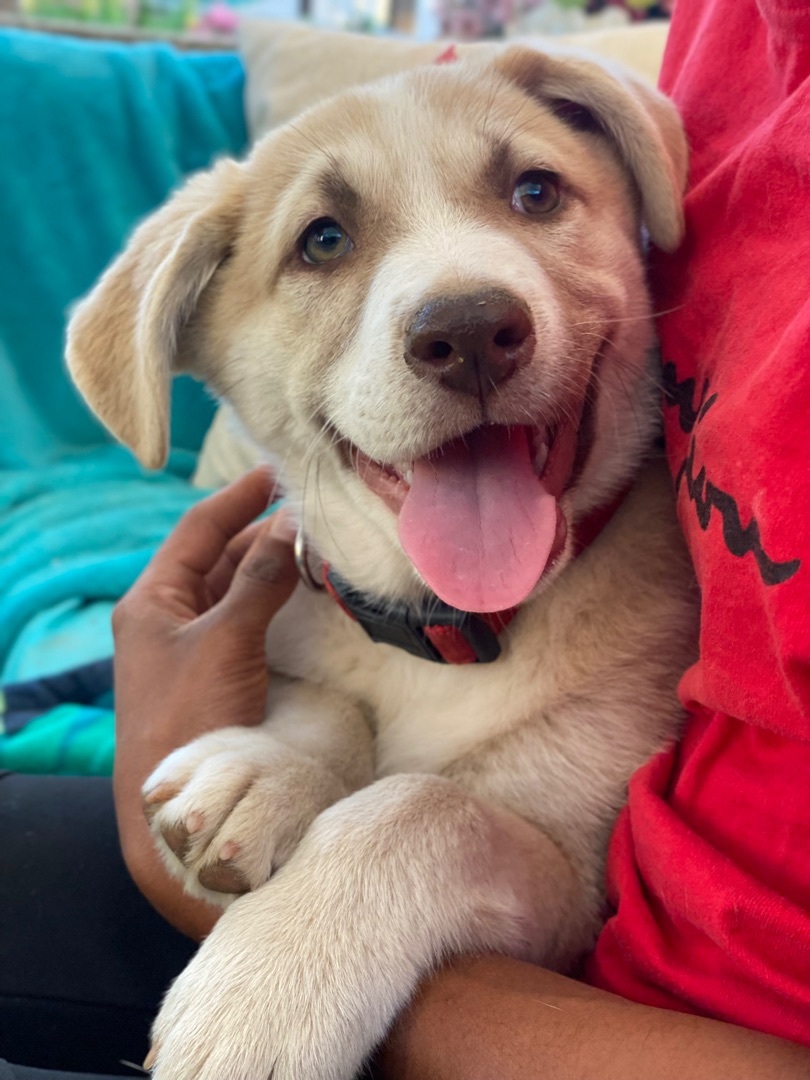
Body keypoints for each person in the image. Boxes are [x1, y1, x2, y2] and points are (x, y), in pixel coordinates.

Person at [2, 0, 809, 1075]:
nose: (462, 305)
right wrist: (308, 749)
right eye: (323, 241)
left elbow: (566, 875)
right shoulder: (280, 618)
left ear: (641, 196)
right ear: (199, 338)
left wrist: (386, 846)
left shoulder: (663, 610)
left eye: (534, 191)